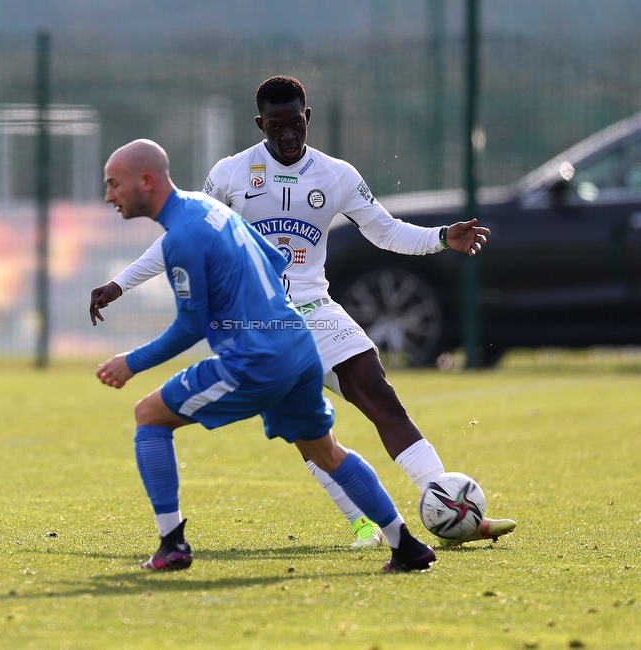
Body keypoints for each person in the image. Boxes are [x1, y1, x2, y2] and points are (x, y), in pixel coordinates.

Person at [91, 76, 515, 548]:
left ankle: (446, 502)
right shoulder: (231, 173)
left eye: (296, 124)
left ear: (307, 118)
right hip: (262, 322)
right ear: (260, 125)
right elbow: (181, 235)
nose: (288, 136)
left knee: (379, 395)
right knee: (307, 429)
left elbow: (386, 231)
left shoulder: (337, 174)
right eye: (277, 127)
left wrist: (440, 237)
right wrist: (120, 283)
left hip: (318, 308)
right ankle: (364, 525)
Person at [96, 138, 435, 572]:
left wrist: (131, 362)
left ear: (145, 181)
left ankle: (172, 544)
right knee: (326, 451)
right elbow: (276, 259)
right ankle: (405, 546)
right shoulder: (210, 209)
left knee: (149, 415)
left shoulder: (183, 235)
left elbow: (191, 325)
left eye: (113, 185)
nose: (109, 196)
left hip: (255, 359)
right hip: (298, 346)